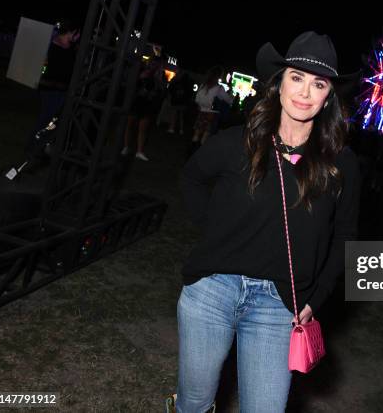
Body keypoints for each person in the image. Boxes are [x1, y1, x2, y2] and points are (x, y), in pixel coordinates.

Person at [174, 31, 360, 413]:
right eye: (296, 77)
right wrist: (213, 228)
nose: (305, 92)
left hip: (279, 306)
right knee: (194, 401)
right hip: (212, 290)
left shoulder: (342, 164)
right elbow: (190, 178)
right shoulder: (236, 143)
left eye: (318, 83)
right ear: (279, 84)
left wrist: (317, 297)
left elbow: (346, 236)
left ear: (328, 97)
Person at [26, 19, 80, 157]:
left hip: (62, 90)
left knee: (54, 120)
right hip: (49, 89)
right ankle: (33, 146)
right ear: (72, 32)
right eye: (77, 34)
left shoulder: (72, 48)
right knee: (46, 118)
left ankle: (43, 145)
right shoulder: (52, 44)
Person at [122, 57, 165, 161]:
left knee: (143, 128)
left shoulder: (159, 76)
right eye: (152, 63)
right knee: (130, 125)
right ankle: (126, 147)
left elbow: (161, 91)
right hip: (137, 101)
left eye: (156, 64)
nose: (153, 65)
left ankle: (139, 151)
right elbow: (133, 85)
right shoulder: (141, 71)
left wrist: (156, 85)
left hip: (148, 104)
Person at [189, 66, 232, 148]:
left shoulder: (203, 85)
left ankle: (191, 152)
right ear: (219, 76)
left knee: (196, 134)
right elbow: (229, 100)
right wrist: (230, 93)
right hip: (212, 114)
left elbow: (197, 99)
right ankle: (199, 155)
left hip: (201, 112)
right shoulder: (219, 88)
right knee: (205, 136)